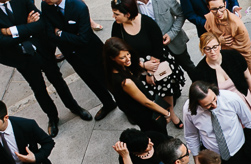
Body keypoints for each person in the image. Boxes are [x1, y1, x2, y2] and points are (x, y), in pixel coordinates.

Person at [0, 0, 92, 136]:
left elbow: (40, 23)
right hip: (21, 59)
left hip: (41, 50)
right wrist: (27, 27)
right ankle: (52, 117)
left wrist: (11, 31)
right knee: (38, 89)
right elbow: (2, 41)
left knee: (58, 80)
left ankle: (74, 107)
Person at [110, 0, 186, 128]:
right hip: (135, 66)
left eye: (116, 14)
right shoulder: (117, 27)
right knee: (147, 94)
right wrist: (143, 67)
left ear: (127, 14)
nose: (114, 17)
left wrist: (151, 71)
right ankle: (159, 112)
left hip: (157, 62)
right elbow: (120, 53)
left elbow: (158, 47)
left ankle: (171, 112)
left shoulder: (147, 22)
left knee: (167, 88)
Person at [40, 0, 118, 121]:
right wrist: (71, 37)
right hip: (72, 55)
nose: (45, 0)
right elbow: (49, 33)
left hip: (92, 52)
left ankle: (127, 106)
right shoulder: (46, 5)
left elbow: (84, 39)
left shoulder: (79, 6)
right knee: (90, 81)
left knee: (108, 80)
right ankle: (108, 103)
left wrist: (59, 33)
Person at [195, 32, 251, 133]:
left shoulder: (233, 56)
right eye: (208, 48)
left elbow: (248, 77)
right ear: (203, 50)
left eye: (215, 47)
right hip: (226, 109)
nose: (212, 51)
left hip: (244, 98)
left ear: (220, 45)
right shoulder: (200, 71)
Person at [204, 0, 251, 100]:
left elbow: (246, 51)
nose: (218, 13)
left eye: (221, 8)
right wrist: (218, 41)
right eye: (214, 9)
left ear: (225, 4)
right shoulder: (210, 18)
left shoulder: (237, 24)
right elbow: (208, 34)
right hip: (222, 59)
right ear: (209, 8)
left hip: (239, 60)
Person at [102, 37, 172, 134]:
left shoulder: (112, 69)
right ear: (112, 58)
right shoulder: (126, 82)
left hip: (135, 109)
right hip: (144, 112)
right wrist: (166, 113)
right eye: (122, 57)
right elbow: (146, 102)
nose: (128, 59)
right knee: (158, 134)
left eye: (128, 54)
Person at [136, 0, 195, 80]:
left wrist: (171, 34)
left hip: (173, 43)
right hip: (151, 48)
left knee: (189, 67)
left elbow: (181, 14)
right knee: (161, 75)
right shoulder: (132, 4)